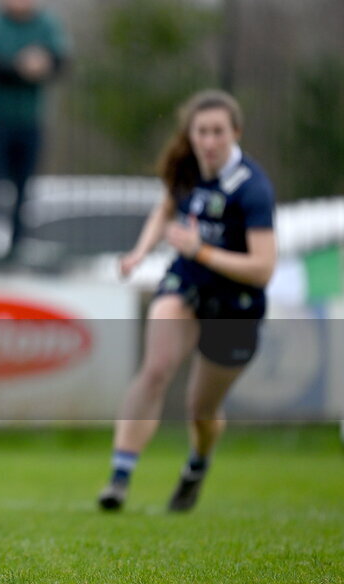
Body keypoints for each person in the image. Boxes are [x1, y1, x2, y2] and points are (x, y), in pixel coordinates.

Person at [97, 90, 276, 512]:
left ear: (235, 133)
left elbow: (263, 268)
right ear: (191, 135)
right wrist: (140, 252)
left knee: (201, 407)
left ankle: (197, 464)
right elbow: (165, 209)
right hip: (188, 284)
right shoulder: (187, 167)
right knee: (156, 368)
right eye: (201, 132)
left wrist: (202, 250)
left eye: (217, 132)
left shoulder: (253, 189)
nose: (209, 141)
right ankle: (119, 478)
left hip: (236, 304)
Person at [0, 0, 68, 260]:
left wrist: (45, 64)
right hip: (0, 122)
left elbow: (61, 61)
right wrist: (22, 66)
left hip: (32, 123)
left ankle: (16, 250)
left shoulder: (46, 24)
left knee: (24, 191)